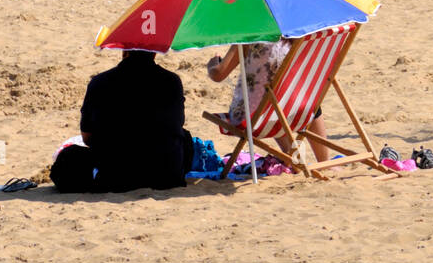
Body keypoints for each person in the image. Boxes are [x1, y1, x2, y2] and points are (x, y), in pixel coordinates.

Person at [54, 49, 192, 192]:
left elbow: (87, 138)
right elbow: (175, 126)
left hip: (116, 177)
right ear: (154, 53)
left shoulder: (100, 82)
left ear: (125, 52)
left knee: (68, 157)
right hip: (167, 177)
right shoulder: (172, 81)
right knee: (185, 138)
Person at [207, 41, 330, 161]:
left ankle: (289, 155)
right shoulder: (301, 35)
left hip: (261, 116)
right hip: (302, 106)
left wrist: (213, 64)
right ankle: (325, 161)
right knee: (301, 95)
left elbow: (219, 74)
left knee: (266, 97)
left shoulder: (250, 34)